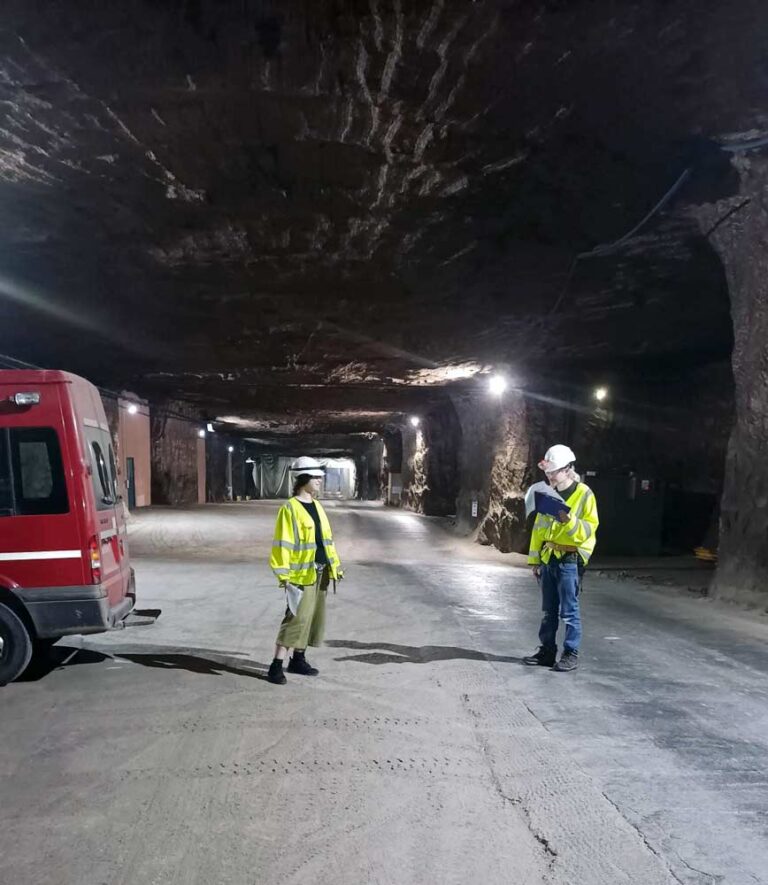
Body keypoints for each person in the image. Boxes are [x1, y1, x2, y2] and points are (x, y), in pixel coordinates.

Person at [266, 456, 343, 685]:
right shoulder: (290, 508)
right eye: (316, 477)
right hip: (300, 574)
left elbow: (325, 540)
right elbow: (283, 544)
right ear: (304, 479)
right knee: (295, 619)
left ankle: (298, 660)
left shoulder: (317, 506)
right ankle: (276, 666)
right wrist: (284, 576)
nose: (320, 481)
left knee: (312, 619)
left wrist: (335, 567)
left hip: (320, 571)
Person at [523, 445, 599, 672]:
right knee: (548, 610)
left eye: (553, 472)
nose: (549, 476)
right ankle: (547, 651)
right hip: (549, 559)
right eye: (547, 472)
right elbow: (539, 528)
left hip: (569, 560)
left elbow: (588, 530)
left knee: (569, 611)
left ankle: (570, 653)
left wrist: (568, 519)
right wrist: (535, 560)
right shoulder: (547, 494)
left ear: (567, 470)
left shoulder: (585, 494)